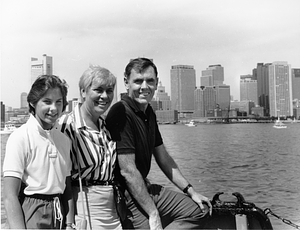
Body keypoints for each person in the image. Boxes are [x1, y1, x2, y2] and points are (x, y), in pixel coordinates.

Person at [105, 57, 213, 229]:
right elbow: (128, 171)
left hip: (144, 189)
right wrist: (153, 212)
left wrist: (191, 191)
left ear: (156, 83)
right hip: (127, 196)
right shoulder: (121, 112)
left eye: (150, 81)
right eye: (138, 81)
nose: (144, 87)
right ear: (126, 83)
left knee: (200, 210)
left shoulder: (148, 111)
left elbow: (163, 157)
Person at [3, 75, 75, 229]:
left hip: (58, 212)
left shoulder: (64, 140)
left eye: (59, 102)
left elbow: (66, 188)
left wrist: (69, 223)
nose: (54, 108)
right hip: (31, 211)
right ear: (33, 102)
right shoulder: (20, 137)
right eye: (47, 102)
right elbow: (10, 196)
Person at [59, 65, 122, 229]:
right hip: (85, 208)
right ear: (83, 92)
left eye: (109, 91)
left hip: (112, 209)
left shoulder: (106, 127)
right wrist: (69, 222)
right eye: (98, 90)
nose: (105, 96)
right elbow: (60, 177)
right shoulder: (67, 126)